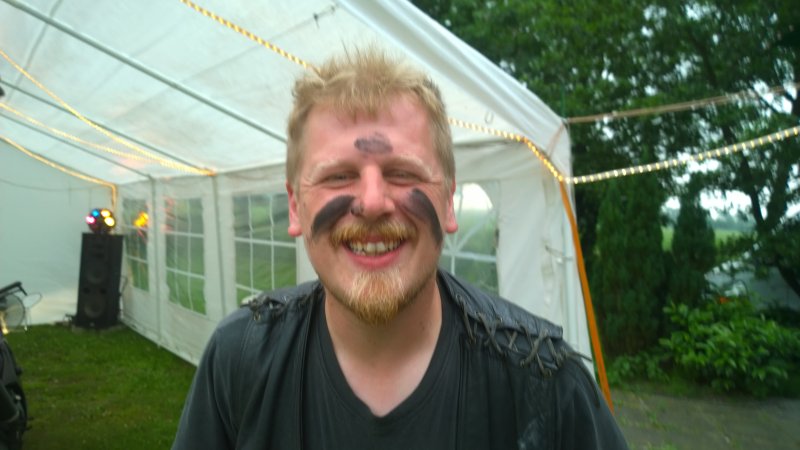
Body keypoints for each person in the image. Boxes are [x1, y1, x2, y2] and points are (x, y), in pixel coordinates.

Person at [173, 48, 629, 449]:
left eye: (403, 173)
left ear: (448, 201)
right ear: (295, 206)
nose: (372, 203)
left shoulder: (544, 383)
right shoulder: (239, 358)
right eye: (338, 176)